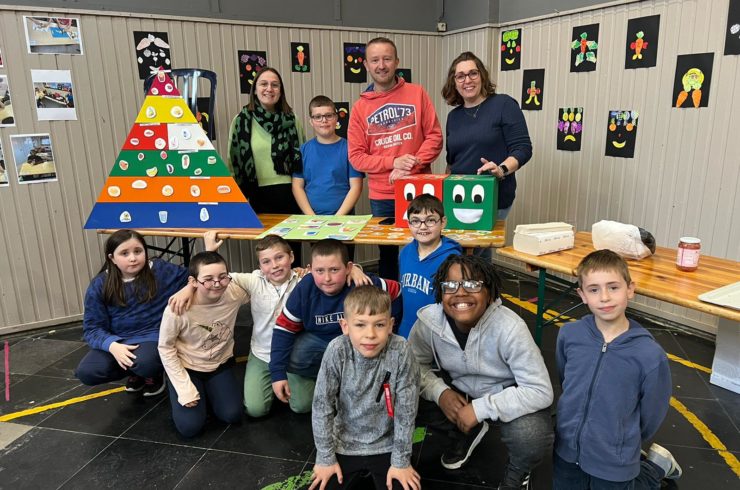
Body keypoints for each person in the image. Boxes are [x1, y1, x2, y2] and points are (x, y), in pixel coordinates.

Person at [408, 254, 553, 490]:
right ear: (441, 293)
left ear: (490, 293)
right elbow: (413, 366)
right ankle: (464, 433)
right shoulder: (428, 322)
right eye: (450, 285)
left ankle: (518, 472)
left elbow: (540, 390)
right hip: (458, 389)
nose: (460, 293)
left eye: (472, 284)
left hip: (505, 392)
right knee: (399, 395)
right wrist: (440, 393)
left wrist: (480, 408)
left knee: (531, 435)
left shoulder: (511, 328)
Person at [553, 249, 681, 489]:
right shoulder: (569, 335)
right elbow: (566, 381)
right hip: (566, 451)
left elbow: (651, 415)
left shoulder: (650, 355)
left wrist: (623, 439)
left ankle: (654, 469)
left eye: (613, 287)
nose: (604, 297)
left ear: (630, 289)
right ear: (582, 295)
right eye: (594, 290)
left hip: (615, 461)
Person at [75, 230, 216, 396]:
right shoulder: (99, 284)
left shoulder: (160, 270)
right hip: (119, 340)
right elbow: (92, 328)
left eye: (138, 251)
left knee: (146, 363)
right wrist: (112, 346)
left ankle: (152, 373)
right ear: (112, 258)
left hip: (152, 336)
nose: (133, 258)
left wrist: (207, 256)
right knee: (87, 372)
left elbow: (195, 276)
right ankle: (135, 372)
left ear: (145, 252)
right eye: (124, 253)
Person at [348, 37, 443, 281]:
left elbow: (434, 137)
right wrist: (394, 162)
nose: (381, 65)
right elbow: (357, 157)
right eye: (375, 60)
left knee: (427, 246)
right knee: (387, 254)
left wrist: (410, 166)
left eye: (387, 59)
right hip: (383, 195)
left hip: (420, 188)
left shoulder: (417, 93)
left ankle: (425, 295)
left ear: (397, 62)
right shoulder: (359, 108)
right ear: (366, 65)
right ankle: (389, 297)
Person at [270, 239, 402, 414]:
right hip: (319, 341)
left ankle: (356, 378)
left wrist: (391, 329)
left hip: (355, 341)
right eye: (320, 271)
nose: (327, 278)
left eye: (334, 270)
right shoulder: (305, 289)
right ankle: (333, 377)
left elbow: (397, 291)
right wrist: (277, 374)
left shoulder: (361, 282)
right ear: (310, 269)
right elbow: (283, 329)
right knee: (296, 356)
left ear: (348, 268)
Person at [310, 286, 420, 490]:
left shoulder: (400, 350)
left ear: (390, 325)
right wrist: (325, 458)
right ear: (345, 326)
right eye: (360, 325)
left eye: (379, 324)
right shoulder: (337, 350)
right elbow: (321, 406)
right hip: (343, 444)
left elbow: (406, 410)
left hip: (387, 444)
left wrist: (401, 462)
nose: (370, 334)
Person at [158, 251, 246, 438]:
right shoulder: (177, 308)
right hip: (188, 367)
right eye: (208, 280)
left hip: (219, 364)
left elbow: (263, 282)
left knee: (232, 414)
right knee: (190, 427)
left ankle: (211, 391)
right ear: (193, 281)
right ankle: (178, 387)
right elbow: (165, 348)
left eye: (222, 277)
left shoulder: (234, 293)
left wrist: (299, 272)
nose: (217, 284)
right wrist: (184, 389)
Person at [442, 51, 532, 224]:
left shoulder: (504, 104)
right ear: (454, 82)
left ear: (482, 76)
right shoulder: (453, 117)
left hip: (493, 196)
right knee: (456, 242)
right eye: (460, 76)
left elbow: (523, 148)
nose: (467, 80)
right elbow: (451, 161)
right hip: (458, 199)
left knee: (481, 243)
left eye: (473, 73)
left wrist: (501, 169)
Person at [228, 67, 304, 263]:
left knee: (291, 253)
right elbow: (233, 161)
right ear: (254, 90)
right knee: (268, 255)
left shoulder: (292, 119)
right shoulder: (241, 120)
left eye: (274, 85)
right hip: (257, 194)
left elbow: (302, 158)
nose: (269, 89)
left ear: (280, 90)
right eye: (263, 84)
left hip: (290, 193)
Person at [293, 94, 364, 260]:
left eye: (328, 115)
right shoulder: (303, 150)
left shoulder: (350, 149)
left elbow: (356, 186)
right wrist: (311, 217)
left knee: (344, 264)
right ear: (311, 121)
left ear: (336, 118)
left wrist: (338, 218)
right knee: (321, 264)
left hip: (343, 219)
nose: (323, 120)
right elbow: (297, 186)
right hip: (314, 221)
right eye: (317, 117)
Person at [397, 194, 461, 338]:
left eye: (430, 220)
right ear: (409, 224)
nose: (423, 226)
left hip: (436, 335)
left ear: (443, 222)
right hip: (406, 331)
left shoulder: (452, 259)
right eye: (416, 221)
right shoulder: (405, 252)